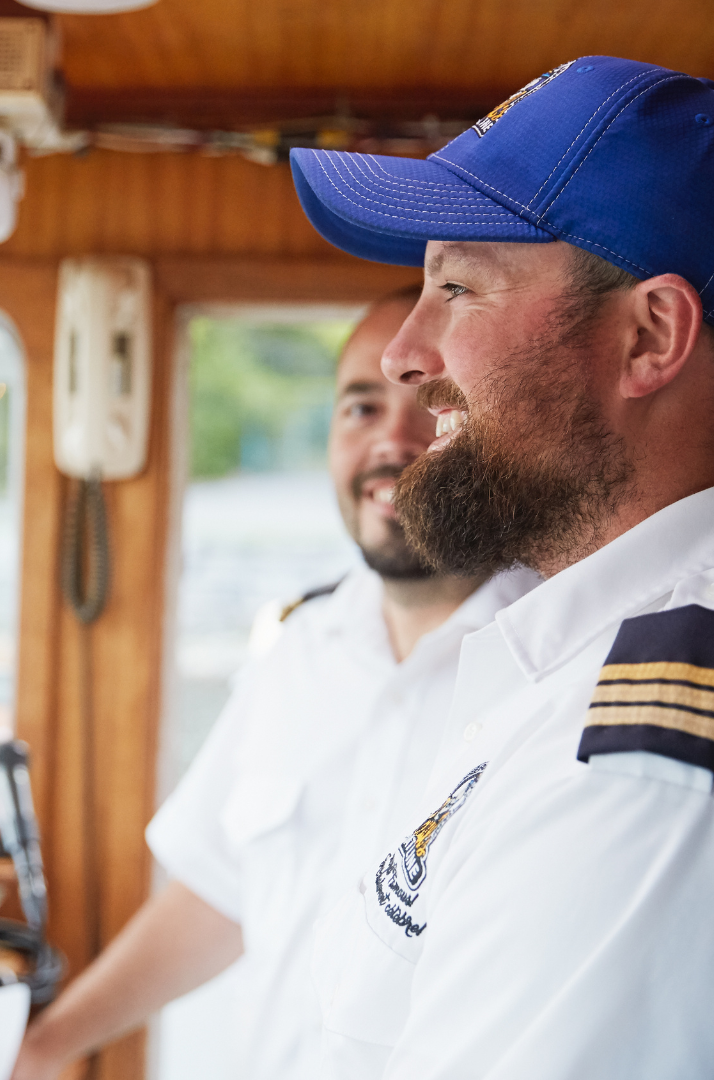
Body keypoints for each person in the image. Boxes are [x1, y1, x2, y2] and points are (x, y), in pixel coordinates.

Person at [289, 55, 714, 1079]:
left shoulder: (640, 760)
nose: (401, 353)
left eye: (457, 289)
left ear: (649, 337)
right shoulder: (567, 658)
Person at [10, 291, 538, 1080]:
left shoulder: (553, 664)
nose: (391, 441)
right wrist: (46, 1047)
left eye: (435, 406)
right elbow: (220, 891)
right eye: (361, 407)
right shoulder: (299, 650)